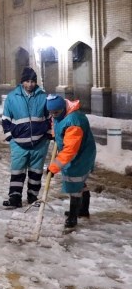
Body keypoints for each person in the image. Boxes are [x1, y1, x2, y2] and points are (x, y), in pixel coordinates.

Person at [0, 67, 51, 208]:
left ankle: (33, 197)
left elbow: (49, 118)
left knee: (36, 173)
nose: (30, 84)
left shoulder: (43, 96)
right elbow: (5, 119)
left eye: (33, 81)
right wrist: (10, 137)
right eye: (27, 81)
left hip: (39, 143)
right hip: (18, 144)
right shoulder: (12, 97)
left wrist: (47, 135)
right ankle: (15, 198)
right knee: (17, 172)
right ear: (22, 82)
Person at [45, 94, 96, 230]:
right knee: (79, 182)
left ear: (63, 108)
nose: (53, 115)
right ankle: (83, 210)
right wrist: (55, 136)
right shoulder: (62, 114)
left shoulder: (74, 121)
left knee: (74, 183)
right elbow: (57, 125)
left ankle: (73, 216)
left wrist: (54, 167)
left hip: (81, 155)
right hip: (79, 152)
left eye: (56, 112)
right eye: (51, 113)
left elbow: (70, 150)